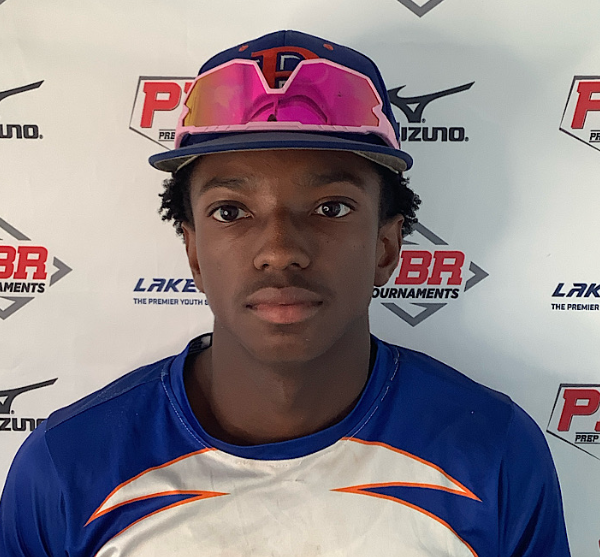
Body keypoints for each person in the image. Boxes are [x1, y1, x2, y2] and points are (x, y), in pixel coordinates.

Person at [0, 30, 570, 556]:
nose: (279, 250)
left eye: (331, 208)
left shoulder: (493, 448)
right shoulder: (67, 466)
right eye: (231, 211)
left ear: (386, 247)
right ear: (194, 251)